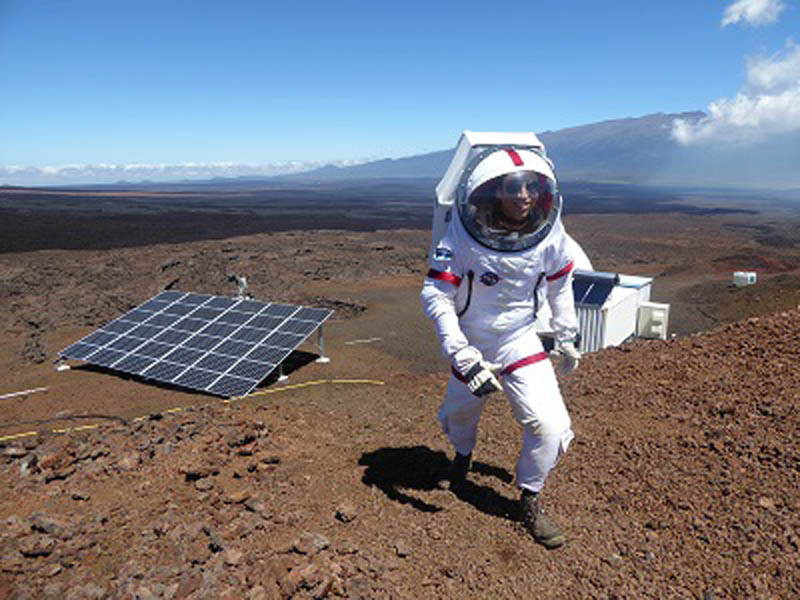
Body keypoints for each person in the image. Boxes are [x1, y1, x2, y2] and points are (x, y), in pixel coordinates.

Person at [420, 147, 581, 549]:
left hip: (519, 338)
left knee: (552, 425)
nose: (524, 195)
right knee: (459, 414)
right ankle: (461, 457)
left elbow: (561, 281)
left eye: (531, 186)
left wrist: (566, 332)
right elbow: (437, 295)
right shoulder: (462, 234)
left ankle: (530, 498)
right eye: (513, 187)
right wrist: (460, 352)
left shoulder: (549, 233)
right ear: (493, 192)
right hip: (472, 338)